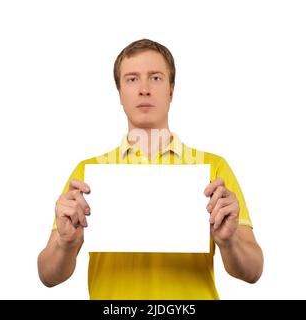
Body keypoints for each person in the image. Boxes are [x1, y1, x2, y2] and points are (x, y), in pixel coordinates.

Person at [37, 39, 263, 299]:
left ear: (171, 90)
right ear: (120, 93)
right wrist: (65, 245)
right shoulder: (88, 173)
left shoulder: (213, 168)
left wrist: (229, 242)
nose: (144, 89)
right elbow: (47, 275)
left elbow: (253, 270)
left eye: (155, 78)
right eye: (132, 79)